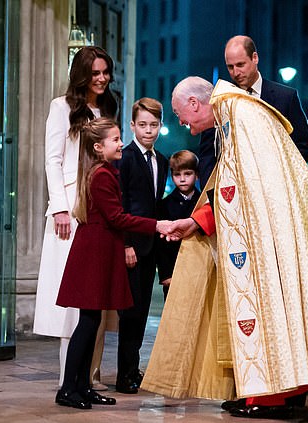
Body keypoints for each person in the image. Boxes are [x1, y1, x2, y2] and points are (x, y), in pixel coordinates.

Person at [140, 76, 308, 419]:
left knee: (271, 311)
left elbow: (245, 187)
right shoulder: (234, 115)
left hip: (269, 241)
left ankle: (272, 397)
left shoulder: (241, 116)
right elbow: (237, 183)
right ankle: (262, 392)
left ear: (195, 104)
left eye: (181, 115)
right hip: (264, 234)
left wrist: (199, 221)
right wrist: (198, 223)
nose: (182, 124)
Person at [54, 117, 172, 409]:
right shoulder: (103, 175)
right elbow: (117, 218)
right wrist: (157, 225)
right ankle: (68, 388)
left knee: (91, 321)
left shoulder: (103, 171)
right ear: (98, 146)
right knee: (88, 322)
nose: (121, 144)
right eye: (116, 139)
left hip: (99, 249)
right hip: (94, 251)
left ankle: (82, 386)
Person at [33, 46, 116, 390]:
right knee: (75, 301)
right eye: (94, 73)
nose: (101, 79)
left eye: (105, 72)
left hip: (100, 209)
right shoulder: (61, 107)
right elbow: (52, 159)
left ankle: (90, 378)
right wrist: (60, 207)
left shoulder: (107, 106)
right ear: (81, 74)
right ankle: (70, 381)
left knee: (97, 299)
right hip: (72, 211)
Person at [197, 35, 308, 187]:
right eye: (230, 67)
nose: (235, 72)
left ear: (255, 58)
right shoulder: (220, 102)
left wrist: (277, 174)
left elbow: (304, 146)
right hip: (234, 195)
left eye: (240, 64)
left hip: (276, 189)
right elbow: (208, 156)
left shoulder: (286, 97)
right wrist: (214, 195)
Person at [114, 97, 169, 394]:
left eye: (154, 125)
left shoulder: (161, 160)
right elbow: (122, 205)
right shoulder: (125, 158)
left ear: (161, 126)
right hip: (132, 245)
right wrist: (126, 244)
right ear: (132, 125)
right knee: (130, 313)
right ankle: (125, 375)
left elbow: (155, 204)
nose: (148, 131)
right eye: (143, 125)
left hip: (150, 245)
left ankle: (134, 370)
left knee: (143, 311)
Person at [157, 150, 200, 300]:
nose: (182, 179)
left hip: (199, 268)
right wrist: (166, 274)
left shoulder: (204, 203)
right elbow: (161, 244)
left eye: (187, 174)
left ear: (197, 175)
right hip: (174, 270)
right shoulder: (164, 205)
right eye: (177, 175)